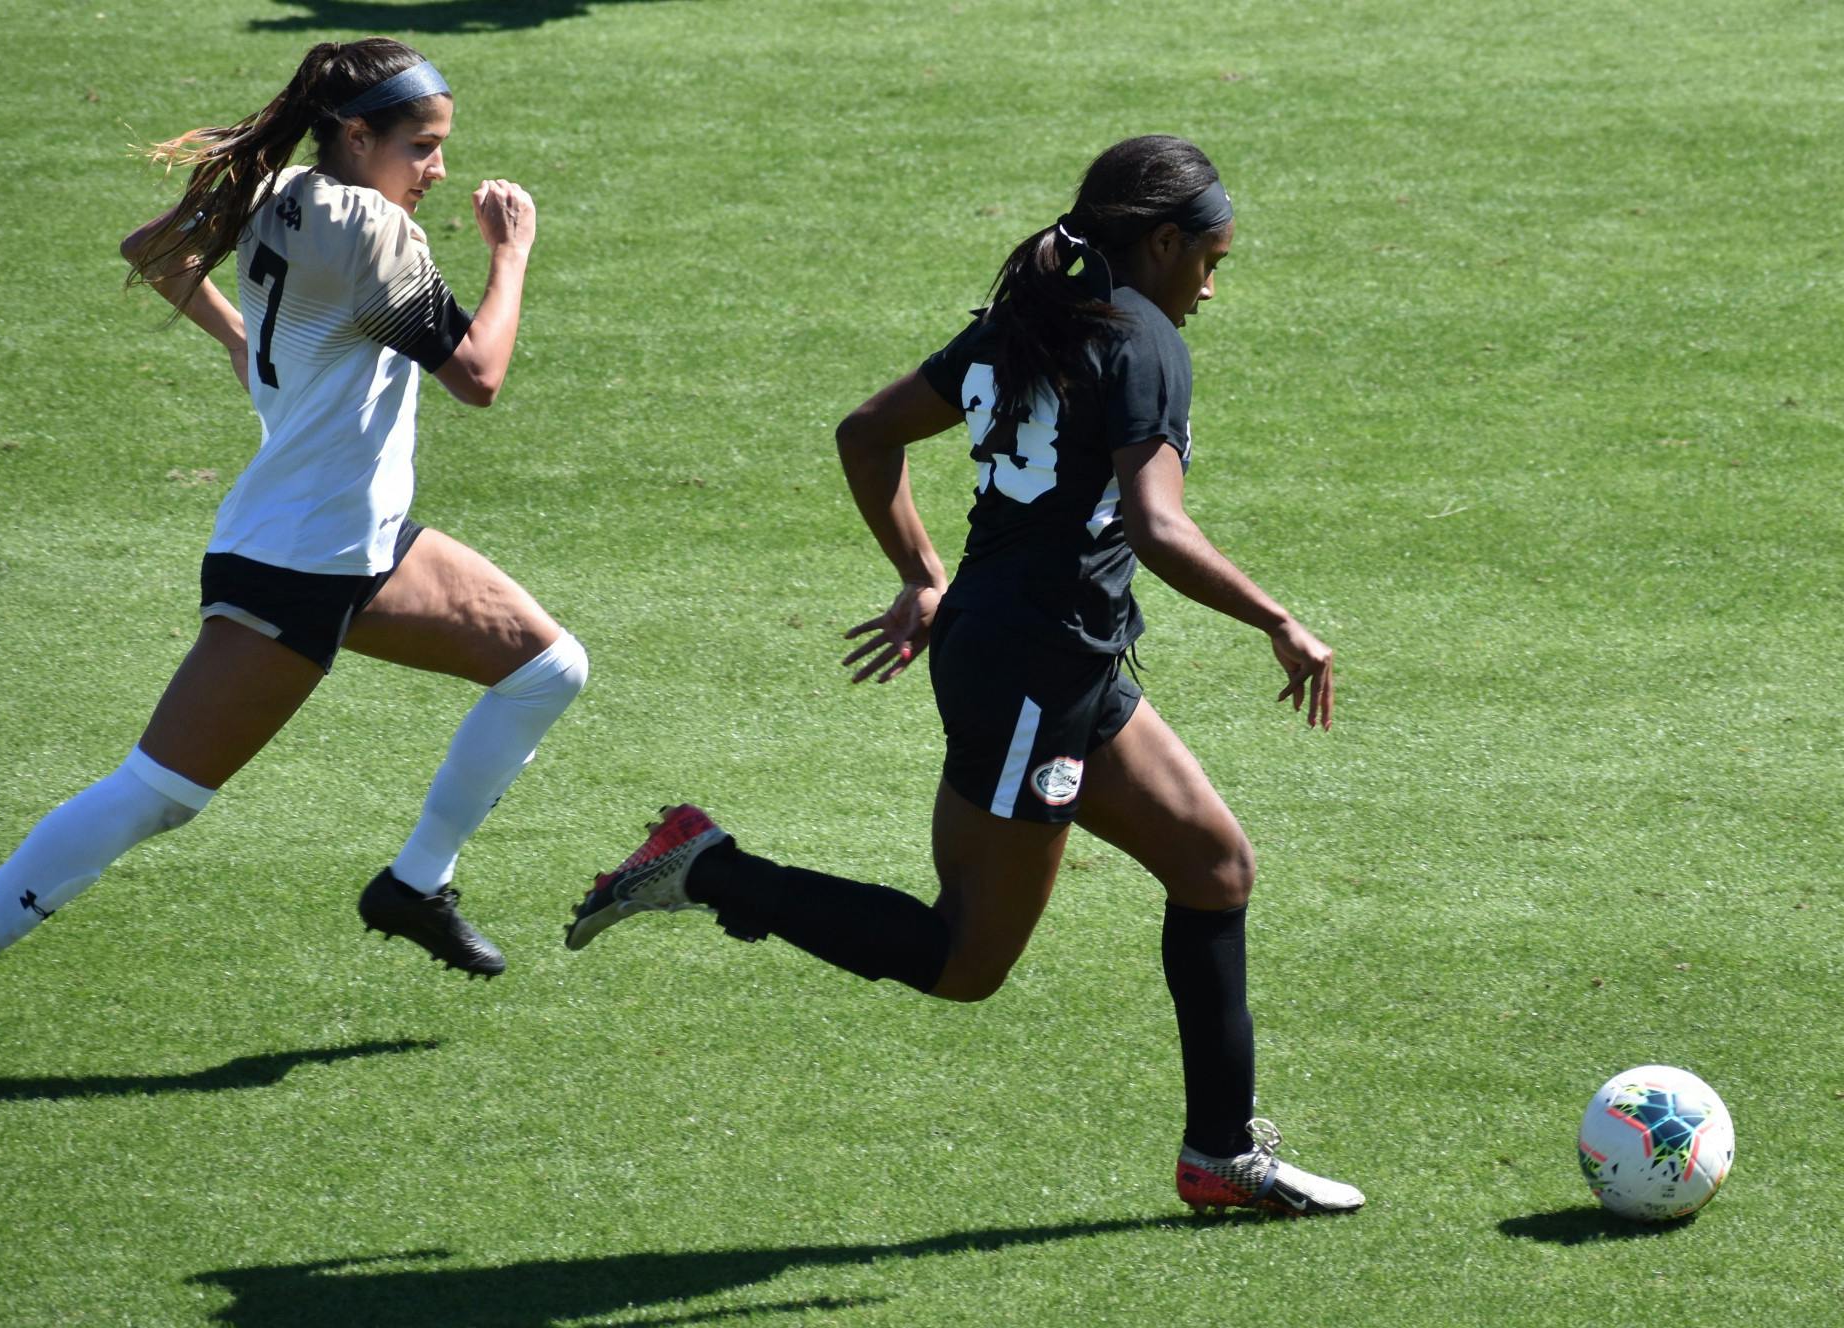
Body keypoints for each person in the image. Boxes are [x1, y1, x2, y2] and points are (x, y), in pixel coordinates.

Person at [565, 136, 1362, 1217]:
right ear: (1162, 242)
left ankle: (1220, 1154)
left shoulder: (1027, 321)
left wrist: (924, 574)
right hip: (1031, 674)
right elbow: (1153, 522)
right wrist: (1277, 619)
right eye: (1210, 258)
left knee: (1214, 867)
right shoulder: (1144, 341)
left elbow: (866, 434)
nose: (1212, 285)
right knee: (963, 958)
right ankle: (708, 867)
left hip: (1048, 654)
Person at [0, 37, 586, 1096]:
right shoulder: (370, 225)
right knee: (159, 792)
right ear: (359, 137)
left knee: (545, 665)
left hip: (365, 539)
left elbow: (152, 249)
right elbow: (477, 375)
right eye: (421, 147)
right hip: (295, 558)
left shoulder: (283, 188)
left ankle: (414, 883)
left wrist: (262, 372)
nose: (435, 168)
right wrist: (512, 249)